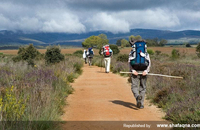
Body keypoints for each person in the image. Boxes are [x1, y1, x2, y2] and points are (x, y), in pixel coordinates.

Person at [128, 40, 151, 109]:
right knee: (143, 87)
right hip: (144, 71)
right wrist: (146, 71)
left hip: (135, 71)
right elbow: (149, 62)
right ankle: (141, 104)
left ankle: (138, 97)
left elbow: (129, 62)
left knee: (134, 87)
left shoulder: (132, 53)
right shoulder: (146, 53)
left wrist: (133, 70)